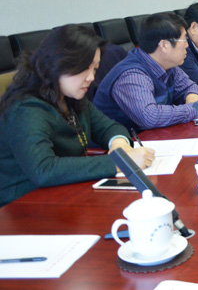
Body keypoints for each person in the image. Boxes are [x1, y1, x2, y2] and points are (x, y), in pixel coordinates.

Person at [0, 25, 154, 207]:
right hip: (24, 205)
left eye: (95, 69)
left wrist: (119, 145)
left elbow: (109, 127)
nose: (91, 78)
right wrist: (121, 162)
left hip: (65, 192)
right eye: (85, 69)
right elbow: (43, 170)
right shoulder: (26, 108)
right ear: (59, 63)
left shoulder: (70, 96)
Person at [93, 12, 198, 131]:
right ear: (164, 45)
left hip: (155, 136)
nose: (187, 45)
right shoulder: (132, 75)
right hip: (125, 143)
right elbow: (150, 117)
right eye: (184, 40)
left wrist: (191, 96)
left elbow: (191, 87)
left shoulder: (168, 65)